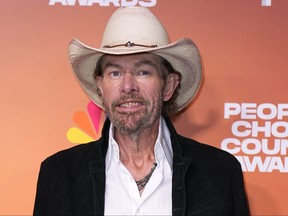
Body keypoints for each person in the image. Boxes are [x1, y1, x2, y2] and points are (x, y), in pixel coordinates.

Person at [33, 6, 249, 216]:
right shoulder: (59, 174)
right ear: (100, 86)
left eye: (143, 72)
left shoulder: (219, 172)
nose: (128, 86)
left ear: (168, 86)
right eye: (115, 73)